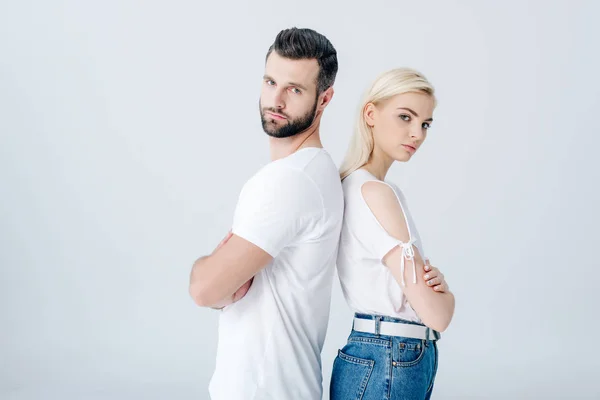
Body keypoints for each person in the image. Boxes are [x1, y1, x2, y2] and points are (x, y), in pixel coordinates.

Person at [188, 28, 343, 399]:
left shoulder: (292, 181)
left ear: (324, 100)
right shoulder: (311, 171)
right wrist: (221, 284)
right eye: (271, 81)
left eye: (295, 89)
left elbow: (203, 288)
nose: (276, 99)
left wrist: (207, 268)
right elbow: (221, 290)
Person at [330, 68, 455, 400]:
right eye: (405, 117)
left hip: (382, 354)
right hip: (391, 355)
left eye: (425, 124)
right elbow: (437, 314)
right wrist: (447, 296)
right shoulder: (376, 193)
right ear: (370, 113)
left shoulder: (353, 185)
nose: (417, 133)